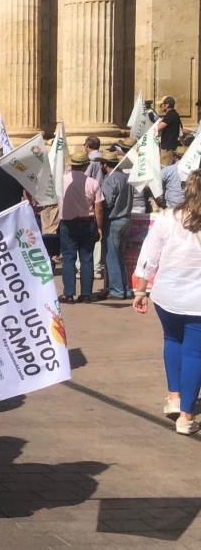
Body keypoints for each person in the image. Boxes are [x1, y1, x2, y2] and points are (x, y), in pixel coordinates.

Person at [133, 171, 201, 435]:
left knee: (172, 341)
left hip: (167, 294)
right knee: (195, 353)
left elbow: (149, 255)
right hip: (197, 300)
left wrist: (141, 291)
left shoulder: (166, 218)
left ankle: (174, 397)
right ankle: (186, 415)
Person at [59, 149, 104, 304]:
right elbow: (98, 208)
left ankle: (68, 293)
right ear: (86, 166)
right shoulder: (93, 182)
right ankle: (86, 294)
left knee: (68, 258)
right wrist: (99, 227)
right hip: (87, 222)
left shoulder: (62, 180)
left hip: (68, 222)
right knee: (87, 258)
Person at [97, 151, 135, 300]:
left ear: (105, 164)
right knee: (119, 256)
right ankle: (124, 288)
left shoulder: (110, 179)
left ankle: (117, 290)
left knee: (111, 257)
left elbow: (107, 201)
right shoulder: (126, 177)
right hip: (126, 219)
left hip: (113, 220)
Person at [156, 96, 183, 167]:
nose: (160, 106)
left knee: (164, 169)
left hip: (167, 149)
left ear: (167, 105)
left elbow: (157, 128)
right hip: (172, 147)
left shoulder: (170, 115)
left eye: (161, 104)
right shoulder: (174, 114)